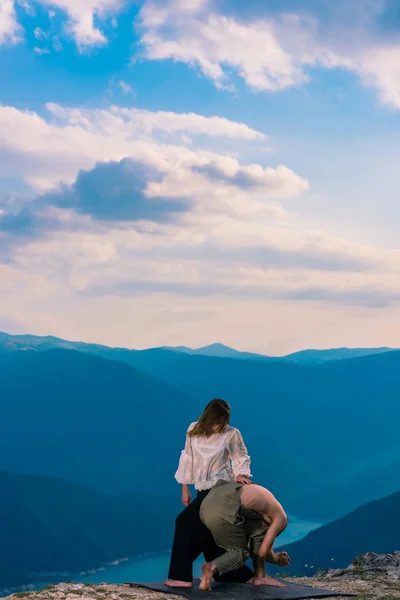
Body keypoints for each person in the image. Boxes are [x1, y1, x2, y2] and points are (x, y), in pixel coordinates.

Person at [165, 398, 254, 588]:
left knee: (184, 522)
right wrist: (184, 488)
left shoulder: (231, 433)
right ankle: (233, 574)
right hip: (201, 490)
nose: (218, 426)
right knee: (210, 531)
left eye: (223, 422)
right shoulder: (193, 430)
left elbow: (240, 456)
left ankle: (181, 577)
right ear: (208, 417)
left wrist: (241, 475)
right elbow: (187, 459)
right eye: (216, 421)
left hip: (220, 489)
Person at [199, 480, 290, 591]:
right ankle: (211, 567)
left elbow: (260, 539)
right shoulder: (281, 519)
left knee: (260, 529)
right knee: (241, 552)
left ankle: (260, 577)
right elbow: (263, 552)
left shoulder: (267, 502)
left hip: (207, 504)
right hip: (225, 507)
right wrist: (277, 559)